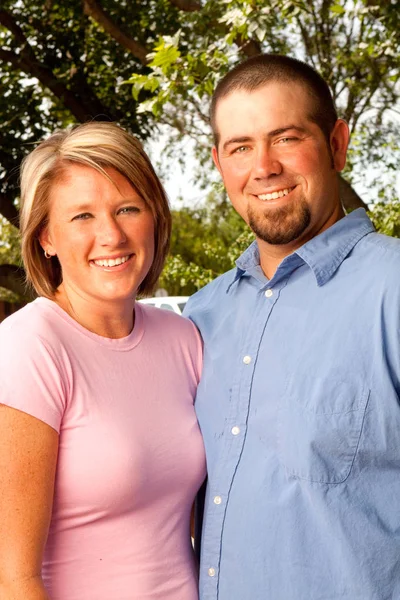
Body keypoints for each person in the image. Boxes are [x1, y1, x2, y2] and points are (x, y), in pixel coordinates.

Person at [184, 53, 400, 600]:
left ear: (337, 144)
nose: (264, 167)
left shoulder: (392, 289)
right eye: (240, 147)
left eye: (285, 138)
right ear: (219, 163)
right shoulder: (202, 316)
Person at [0, 122, 206, 600]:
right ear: (46, 237)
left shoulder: (183, 339)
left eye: (127, 209)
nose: (111, 235)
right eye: (82, 217)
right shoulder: (29, 348)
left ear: (153, 217)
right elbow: (13, 579)